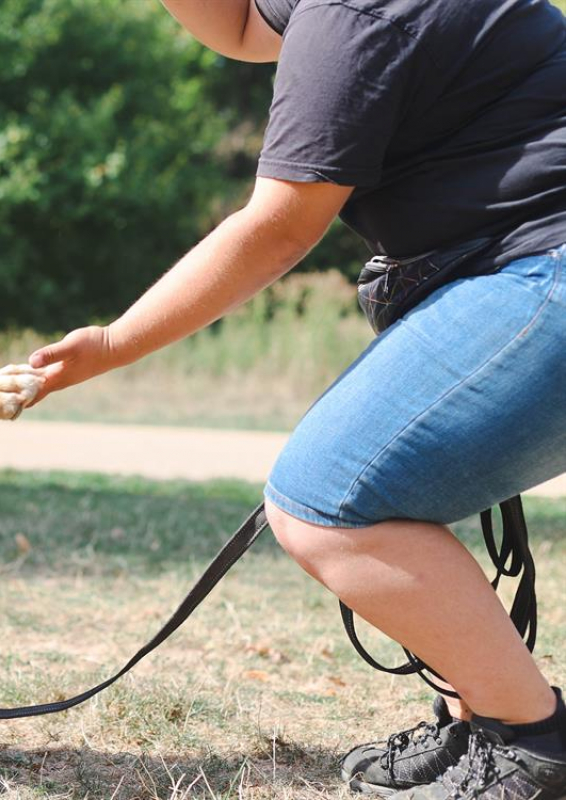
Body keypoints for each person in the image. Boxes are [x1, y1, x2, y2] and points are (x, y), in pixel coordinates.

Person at [27, 0, 566, 797]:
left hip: (543, 269)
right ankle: (484, 717)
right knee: (371, 487)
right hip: (527, 265)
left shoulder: (353, 9)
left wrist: (115, 342)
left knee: (328, 497)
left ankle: (532, 745)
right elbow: (243, 29)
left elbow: (280, 228)